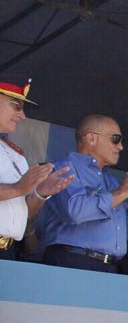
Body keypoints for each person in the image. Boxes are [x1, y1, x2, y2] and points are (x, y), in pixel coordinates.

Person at [40, 114, 128, 273]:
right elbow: (75, 212)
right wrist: (123, 191)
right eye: (115, 139)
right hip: (72, 261)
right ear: (90, 138)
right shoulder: (63, 169)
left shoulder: (111, 181)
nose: (120, 147)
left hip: (108, 266)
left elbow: (122, 231)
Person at [0, 80, 70, 260]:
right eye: (16, 106)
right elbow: (18, 189)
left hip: (8, 249)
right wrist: (18, 188)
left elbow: (24, 213)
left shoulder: (16, 155)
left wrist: (41, 193)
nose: (22, 115)